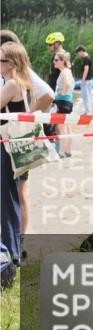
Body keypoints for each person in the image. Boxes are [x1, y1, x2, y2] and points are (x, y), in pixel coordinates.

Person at [1, 42, 34, 266]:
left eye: (0, 59)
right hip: (16, 146)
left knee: (7, 199)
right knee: (11, 197)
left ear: (11, 63)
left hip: (6, 147)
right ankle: (14, 250)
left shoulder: (12, 84)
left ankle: (11, 253)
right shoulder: (23, 83)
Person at [52, 51, 75, 157]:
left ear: (63, 61)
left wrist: (62, 92)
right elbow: (71, 84)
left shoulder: (64, 72)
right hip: (68, 102)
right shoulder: (68, 71)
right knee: (68, 126)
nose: (54, 62)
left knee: (62, 128)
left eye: (56, 60)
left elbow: (68, 84)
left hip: (62, 102)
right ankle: (67, 151)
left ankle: (61, 152)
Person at [75, 45, 93, 114]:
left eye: (78, 53)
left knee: (86, 97)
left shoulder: (86, 59)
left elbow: (86, 69)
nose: (78, 55)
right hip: (89, 80)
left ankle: (87, 112)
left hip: (86, 81)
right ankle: (87, 111)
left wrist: (82, 80)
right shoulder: (89, 57)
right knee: (88, 97)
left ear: (81, 51)